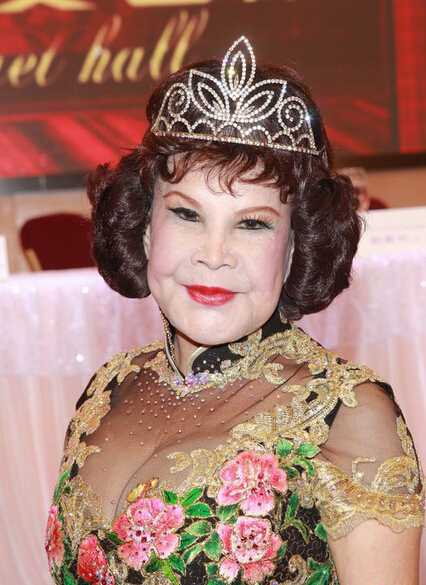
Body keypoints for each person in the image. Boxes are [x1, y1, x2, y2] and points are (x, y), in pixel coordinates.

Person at [45, 37, 424, 585]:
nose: (214, 254)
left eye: (252, 224)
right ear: (146, 228)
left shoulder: (346, 415)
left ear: (294, 247)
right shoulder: (109, 389)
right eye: (187, 214)